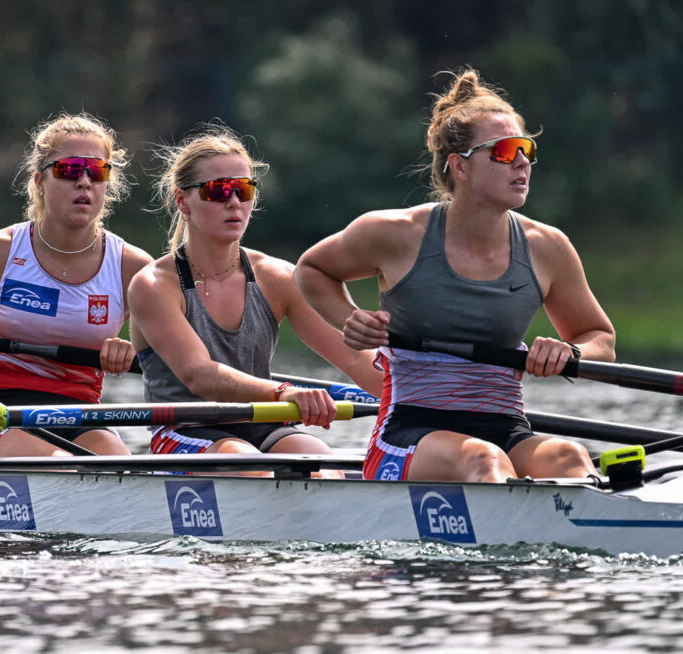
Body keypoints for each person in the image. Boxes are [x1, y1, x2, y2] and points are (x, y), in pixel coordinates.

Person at [294, 69, 616, 483]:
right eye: (503, 151)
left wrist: (571, 353)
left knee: (571, 457)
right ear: (458, 168)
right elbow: (312, 269)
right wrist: (349, 318)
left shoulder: (547, 247)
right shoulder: (397, 234)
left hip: (505, 427)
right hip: (410, 430)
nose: (521, 162)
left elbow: (600, 339)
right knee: (485, 463)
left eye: (526, 150)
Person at [128, 124, 382, 457]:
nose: (233, 201)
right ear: (182, 200)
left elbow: (354, 357)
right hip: (186, 427)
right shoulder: (154, 285)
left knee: (320, 460)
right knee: (245, 460)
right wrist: (284, 392)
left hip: (263, 420)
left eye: (243, 189)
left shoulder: (277, 278)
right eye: (217, 191)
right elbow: (199, 374)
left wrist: (427, 404)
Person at [0, 113, 152, 457]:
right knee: (61, 465)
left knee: (124, 470)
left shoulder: (133, 269)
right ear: (39, 181)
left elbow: (170, 357)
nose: (84, 182)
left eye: (97, 171)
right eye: (70, 170)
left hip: (81, 415)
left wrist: (136, 353)